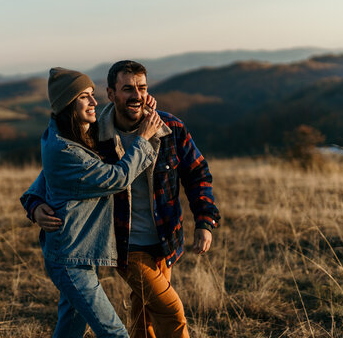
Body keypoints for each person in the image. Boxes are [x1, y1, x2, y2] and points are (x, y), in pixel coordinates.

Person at [23, 61, 220, 338]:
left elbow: (197, 172)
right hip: (125, 245)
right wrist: (34, 203)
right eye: (127, 88)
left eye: (142, 88)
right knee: (171, 311)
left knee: (146, 315)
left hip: (165, 241)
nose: (136, 95)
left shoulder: (170, 127)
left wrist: (204, 219)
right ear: (111, 94)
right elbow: (56, 171)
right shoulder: (93, 134)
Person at [21, 67, 163, 338]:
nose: (94, 101)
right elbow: (118, 177)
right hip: (69, 258)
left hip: (76, 253)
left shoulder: (75, 134)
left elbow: (47, 176)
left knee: (69, 330)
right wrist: (143, 139)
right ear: (68, 104)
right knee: (115, 333)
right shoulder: (65, 150)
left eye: (92, 94)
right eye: (85, 96)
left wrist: (34, 202)